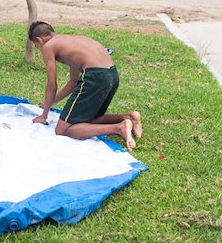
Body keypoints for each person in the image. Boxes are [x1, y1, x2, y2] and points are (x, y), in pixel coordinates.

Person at [28, 21, 142, 150]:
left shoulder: (49, 46)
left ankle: (119, 127)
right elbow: (72, 82)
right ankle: (130, 117)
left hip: (96, 76)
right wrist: (51, 102)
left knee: (62, 131)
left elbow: (52, 84)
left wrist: (44, 114)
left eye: (37, 46)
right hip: (112, 74)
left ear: (39, 40)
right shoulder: (70, 42)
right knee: (89, 120)